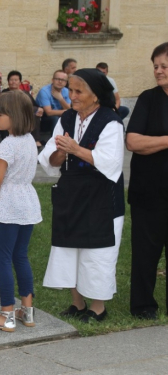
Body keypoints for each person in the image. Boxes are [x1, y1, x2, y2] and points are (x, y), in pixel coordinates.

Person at [38, 68, 125, 323]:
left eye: (78, 91)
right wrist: (63, 153)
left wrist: (75, 148)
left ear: (96, 95)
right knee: (69, 247)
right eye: (70, 90)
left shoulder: (111, 121)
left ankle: (98, 307)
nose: (72, 96)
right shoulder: (66, 118)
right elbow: (50, 160)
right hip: (71, 192)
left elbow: (111, 163)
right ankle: (77, 303)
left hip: (101, 196)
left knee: (97, 252)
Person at [0, 90, 42, 331]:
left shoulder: (7, 144)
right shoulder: (29, 141)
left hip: (9, 202)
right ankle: (27, 311)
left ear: (13, 116)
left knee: (3, 257)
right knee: (21, 256)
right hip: (27, 201)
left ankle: (6, 313)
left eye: (0, 114)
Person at [126, 42, 168, 320]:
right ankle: (143, 305)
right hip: (149, 192)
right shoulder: (148, 99)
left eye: (164, 66)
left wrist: (155, 143)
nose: (158, 71)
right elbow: (132, 141)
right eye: (155, 66)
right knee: (145, 252)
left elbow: (145, 143)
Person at [2, 71, 44, 147]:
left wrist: (39, 109)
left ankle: (36, 140)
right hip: (11, 115)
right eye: (11, 80)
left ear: (20, 82)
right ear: (8, 82)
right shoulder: (4, 93)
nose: (13, 82)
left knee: (35, 112)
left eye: (16, 80)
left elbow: (34, 105)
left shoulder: (25, 93)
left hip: (25, 117)